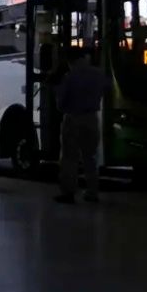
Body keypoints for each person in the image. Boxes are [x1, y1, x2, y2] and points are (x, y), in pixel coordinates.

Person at [54, 47, 109, 204]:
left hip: (73, 119)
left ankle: (68, 193)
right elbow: (106, 89)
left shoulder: (69, 77)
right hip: (92, 118)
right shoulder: (98, 74)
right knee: (90, 158)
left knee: (69, 158)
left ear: (69, 60)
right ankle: (92, 192)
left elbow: (61, 104)